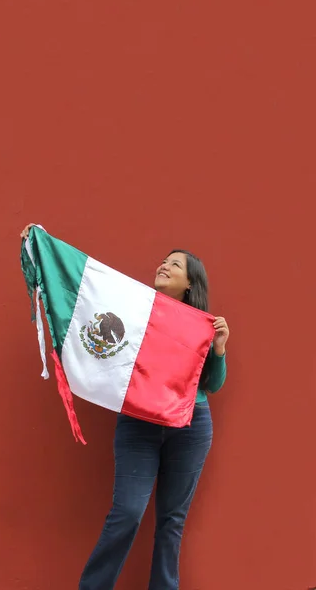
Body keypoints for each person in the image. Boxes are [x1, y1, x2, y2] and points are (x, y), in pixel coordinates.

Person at [21, 225, 230, 590]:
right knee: (128, 513)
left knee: (172, 520)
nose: (164, 266)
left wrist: (220, 349)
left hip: (191, 425)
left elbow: (211, 384)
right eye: (163, 261)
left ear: (189, 283)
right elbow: (80, 282)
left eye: (175, 265)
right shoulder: (135, 311)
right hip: (140, 423)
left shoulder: (204, 327)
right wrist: (38, 242)